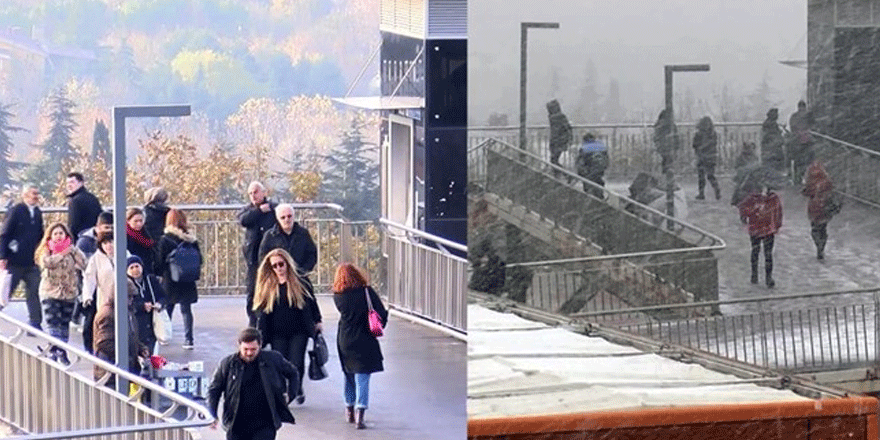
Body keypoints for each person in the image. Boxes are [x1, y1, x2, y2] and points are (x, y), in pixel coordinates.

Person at [253, 248, 322, 406]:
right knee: (280, 363)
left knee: (297, 362)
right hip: (277, 332)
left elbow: (312, 303)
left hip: (299, 330)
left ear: (287, 263)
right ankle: (285, 392)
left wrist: (318, 321)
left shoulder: (300, 281)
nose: (278, 268)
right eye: (274, 266)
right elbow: (261, 311)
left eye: (281, 264)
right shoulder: (268, 285)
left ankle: (297, 388)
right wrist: (259, 334)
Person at [207, 327, 298, 440]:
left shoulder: (273, 359)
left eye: (253, 349)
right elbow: (214, 390)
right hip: (236, 424)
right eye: (245, 349)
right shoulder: (228, 364)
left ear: (260, 345)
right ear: (239, 345)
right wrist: (212, 414)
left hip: (265, 423)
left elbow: (293, 373)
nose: (249, 353)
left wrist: (290, 395)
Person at [332, 263, 388, 429]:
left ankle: (349, 409)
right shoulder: (366, 292)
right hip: (364, 338)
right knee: (362, 376)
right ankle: (360, 414)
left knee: (348, 374)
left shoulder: (338, 296)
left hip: (344, 338)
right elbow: (381, 312)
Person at [35, 222, 86, 365]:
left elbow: (84, 264)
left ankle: (58, 350)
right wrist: (61, 254)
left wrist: (73, 253)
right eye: (55, 233)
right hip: (50, 292)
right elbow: (46, 263)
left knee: (64, 325)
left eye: (61, 233)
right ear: (50, 236)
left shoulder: (72, 250)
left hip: (69, 293)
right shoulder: (47, 249)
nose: (58, 236)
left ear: (66, 235)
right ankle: (57, 351)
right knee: (53, 322)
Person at [0, 184, 45, 331]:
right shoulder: (16, 211)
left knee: (34, 290)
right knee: (6, 290)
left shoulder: (37, 212)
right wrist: (3, 256)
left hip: (31, 261)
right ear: (25, 195)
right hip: (14, 260)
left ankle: (35, 323)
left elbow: (40, 234)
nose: (36, 196)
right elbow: (5, 234)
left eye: (37, 194)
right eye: (33, 193)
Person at [154, 208, 200, 350]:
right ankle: (189, 339)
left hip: (171, 278)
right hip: (187, 279)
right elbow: (200, 259)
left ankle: (165, 336)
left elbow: (159, 262)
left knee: (168, 308)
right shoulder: (191, 239)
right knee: (186, 310)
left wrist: (159, 275)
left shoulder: (165, 239)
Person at [237, 181, 278, 326]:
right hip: (252, 258)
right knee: (252, 292)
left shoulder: (274, 208)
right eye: (250, 193)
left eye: (256, 192)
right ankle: (253, 322)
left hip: (270, 257)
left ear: (263, 192)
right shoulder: (248, 210)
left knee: (271, 290)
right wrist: (259, 211)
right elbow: (243, 220)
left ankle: (269, 322)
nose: (253, 196)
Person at [92, 276, 146, 384]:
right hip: (109, 371)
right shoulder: (107, 314)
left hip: (122, 367)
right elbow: (104, 343)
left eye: (132, 297)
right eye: (128, 297)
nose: (131, 300)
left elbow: (130, 336)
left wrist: (140, 348)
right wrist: (127, 354)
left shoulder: (127, 311)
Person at [738, 184, 783, 288]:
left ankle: (768, 277)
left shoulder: (773, 198)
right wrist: (753, 211)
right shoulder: (752, 198)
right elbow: (743, 209)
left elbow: (779, 212)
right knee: (756, 252)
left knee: (767, 254)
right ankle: (755, 275)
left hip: (767, 230)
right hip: (757, 229)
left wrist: (777, 225)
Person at [257, 204, 317, 280]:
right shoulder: (270, 236)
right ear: (278, 219)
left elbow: (312, 255)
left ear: (293, 216)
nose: (287, 219)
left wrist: (302, 272)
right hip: (277, 279)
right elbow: (263, 258)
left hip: (299, 278)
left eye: (289, 216)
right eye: (283, 217)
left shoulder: (303, 233)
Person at [82, 231, 117, 354]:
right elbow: (89, 278)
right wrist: (87, 296)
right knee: (104, 329)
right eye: (105, 243)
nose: (109, 246)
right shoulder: (96, 258)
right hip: (104, 300)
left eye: (111, 242)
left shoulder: (125, 255)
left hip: (123, 300)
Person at [127, 255, 166, 354]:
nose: (135, 270)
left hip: (152, 321)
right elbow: (126, 304)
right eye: (131, 267)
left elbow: (163, 296)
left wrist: (159, 304)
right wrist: (142, 306)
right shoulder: (126, 283)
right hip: (135, 322)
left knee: (150, 350)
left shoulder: (150, 280)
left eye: (137, 266)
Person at [802, 161, 835, 260]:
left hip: (814, 208)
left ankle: (818, 245)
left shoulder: (811, 182)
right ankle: (822, 246)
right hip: (825, 207)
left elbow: (807, 192)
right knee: (823, 228)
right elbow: (832, 191)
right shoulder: (826, 181)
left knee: (815, 228)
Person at [65, 172, 103, 240]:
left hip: (81, 238)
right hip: (95, 236)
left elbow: (72, 225)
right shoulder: (92, 197)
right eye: (67, 183)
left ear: (81, 183)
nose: (69, 185)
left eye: (72, 182)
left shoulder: (75, 201)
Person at [692, 116, 721, 201]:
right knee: (711, 175)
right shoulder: (713, 133)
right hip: (711, 157)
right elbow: (713, 144)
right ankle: (717, 190)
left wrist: (699, 149)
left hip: (702, 157)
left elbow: (694, 145)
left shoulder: (698, 134)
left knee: (701, 176)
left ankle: (701, 194)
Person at [788, 100, 815, 183]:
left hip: (800, 142)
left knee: (799, 161)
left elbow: (792, 127)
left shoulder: (795, 116)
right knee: (804, 161)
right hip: (803, 142)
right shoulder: (808, 116)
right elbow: (813, 126)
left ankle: (799, 178)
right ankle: (803, 177)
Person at [575, 133, 608, 198]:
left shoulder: (584, 148)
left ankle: (590, 197)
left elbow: (580, 163)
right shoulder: (601, 146)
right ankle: (600, 196)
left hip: (590, 168)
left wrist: (580, 173)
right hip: (600, 168)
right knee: (598, 182)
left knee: (589, 183)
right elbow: (606, 159)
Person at [126, 207, 155, 275]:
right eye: (135, 221)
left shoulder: (147, 232)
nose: (139, 224)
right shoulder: (125, 236)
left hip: (147, 268)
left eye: (141, 221)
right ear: (128, 221)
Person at [546, 99, 573, 170]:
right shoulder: (559, 117)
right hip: (559, 141)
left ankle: (565, 175)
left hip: (557, 141)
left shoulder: (555, 117)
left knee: (553, 160)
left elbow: (556, 131)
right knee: (554, 160)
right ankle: (565, 175)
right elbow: (567, 128)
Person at [653, 108, 679, 176]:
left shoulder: (659, 126)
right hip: (666, 148)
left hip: (663, 148)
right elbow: (676, 137)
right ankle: (667, 177)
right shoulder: (669, 126)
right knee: (668, 163)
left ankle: (665, 176)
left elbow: (656, 138)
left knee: (665, 163)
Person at [760, 108, 786, 172]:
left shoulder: (768, 123)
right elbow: (774, 137)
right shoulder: (771, 124)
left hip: (769, 151)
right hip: (773, 152)